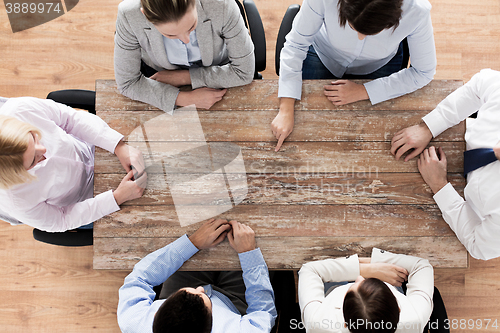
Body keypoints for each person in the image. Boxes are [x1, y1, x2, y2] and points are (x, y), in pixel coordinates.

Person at [272, 0, 436, 151]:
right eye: (352, 27)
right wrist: (286, 109)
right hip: (323, 53)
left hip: (379, 64)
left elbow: (423, 72)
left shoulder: (417, 10)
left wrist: (364, 91)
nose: (360, 37)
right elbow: (296, 44)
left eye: (372, 33)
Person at [391, 68, 500, 260]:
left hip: (473, 208)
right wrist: (430, 126)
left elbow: (478, 246)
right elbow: (479, 86)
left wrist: (439, 186)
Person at [0, 96, 147, 232]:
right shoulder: (15, 201)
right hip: (85, 202)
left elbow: (70, 120)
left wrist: (117, 146)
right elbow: (62, 220)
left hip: (90, 145)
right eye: (33, 160)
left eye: (33, 137)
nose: (44, 149)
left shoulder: (20, 109)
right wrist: (116, 198)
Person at [117, 218, 277, 333]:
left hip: (180, 284)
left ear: (156, 313)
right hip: (236, 305)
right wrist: (249, 254)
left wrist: (192, 243)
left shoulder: (134, 323)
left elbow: (139, 278)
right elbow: (263, 313)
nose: (202, 289)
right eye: (202, 294)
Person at [114, 0, 255, 113]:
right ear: (145, 15)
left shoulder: (221, 4)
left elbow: (244, 71)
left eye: (191, 26)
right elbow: (128, 83)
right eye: (170, 35)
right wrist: (184, 98)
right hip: (161, 74)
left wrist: (184, 77)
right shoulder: (128, 15)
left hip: (219, 68)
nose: (185, 39)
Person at [298, 248, 433, 333]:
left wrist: (365, 269)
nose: (359, 278)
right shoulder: (414, 319)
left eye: (354, 284)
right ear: (398, 308)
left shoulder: (318, 323)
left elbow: (310, 270)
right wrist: (377, 264)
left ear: (345, 324)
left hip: (333, 283)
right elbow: (421, 266)